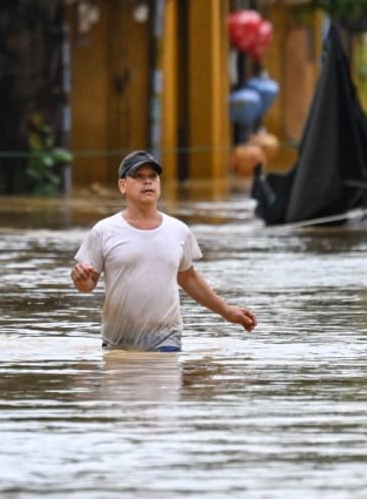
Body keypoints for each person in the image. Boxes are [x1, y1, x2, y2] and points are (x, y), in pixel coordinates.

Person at [72, 150, 257, 351]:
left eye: (153, 177)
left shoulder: (178, 230)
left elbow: (189, 278)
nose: (148, 182)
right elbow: (88, 284)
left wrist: (227, 312)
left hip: (166, 338)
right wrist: (80, 279)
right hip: (118, 341)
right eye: (138, 176)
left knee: (165, 374)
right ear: (122, 185)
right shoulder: (104, 230)